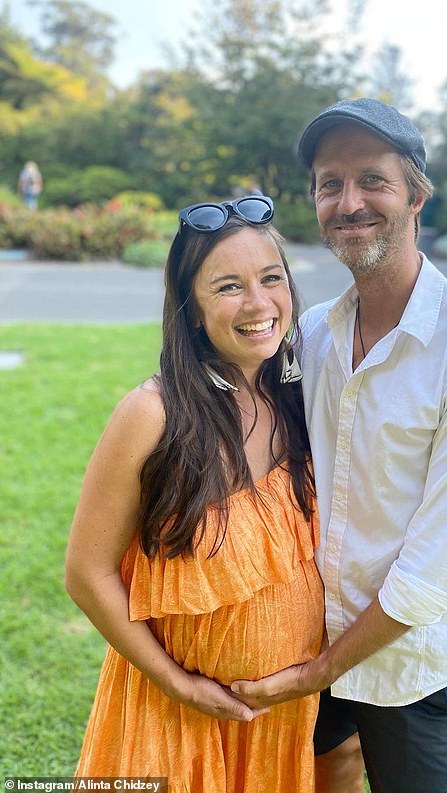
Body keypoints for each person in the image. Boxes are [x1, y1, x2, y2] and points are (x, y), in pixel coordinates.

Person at [232, 99, 447, 793]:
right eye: (329, 183)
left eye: (372, 179)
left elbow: (437, 567)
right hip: (304, 627)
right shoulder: (311, 333)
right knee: (322, 767)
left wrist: (319, 671)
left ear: (417, 195)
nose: (348, 201)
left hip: (406, 661)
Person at [65, 195, 324, 792]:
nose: (259, 304)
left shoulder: (295, 398)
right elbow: (86, 573)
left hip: (278, 723)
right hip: (173, 719)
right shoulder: (151, 415)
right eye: (228, 286)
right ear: (191, 310)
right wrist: (177, 683)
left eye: (271, 279)